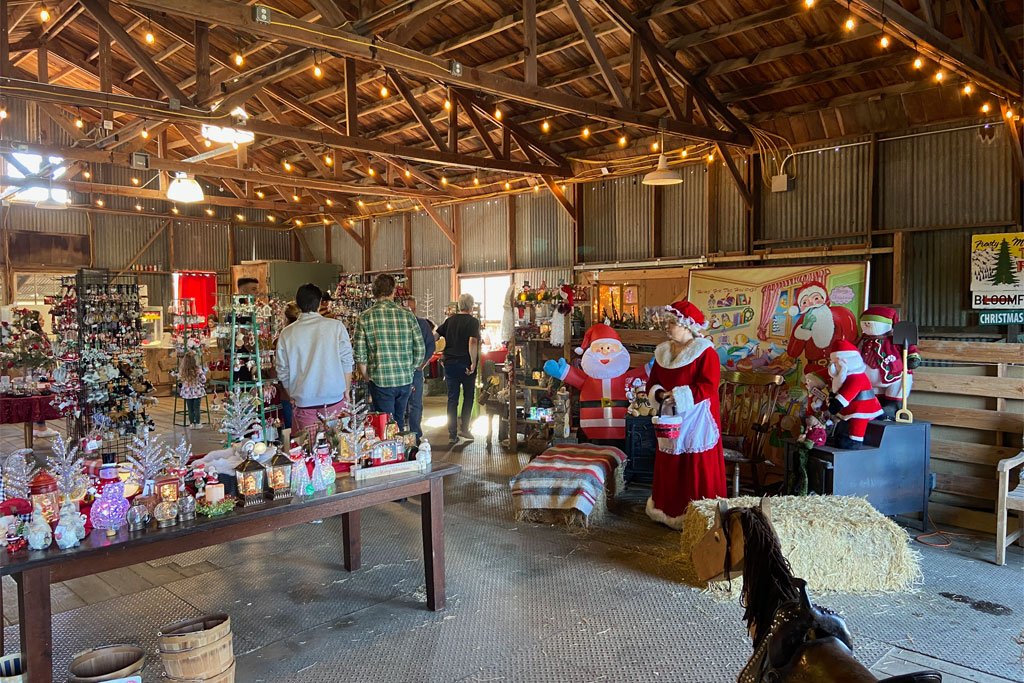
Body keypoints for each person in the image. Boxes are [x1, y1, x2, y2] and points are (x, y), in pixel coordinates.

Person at [644, 300, 726, 529]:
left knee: (694, 462)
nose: (667, 327)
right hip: (671, 416)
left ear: (687, 325)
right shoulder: (662, 352)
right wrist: (659, 394)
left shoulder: (705, 352)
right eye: (667, 322)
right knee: (670, 461)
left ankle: (699, 515)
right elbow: (653, 382)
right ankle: (667, 509)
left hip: (697, 416)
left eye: (672, 323)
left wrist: (680, 396)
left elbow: (709, 385)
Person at [276, 284, 354, 437]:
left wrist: (292, 393)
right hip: (334, 400)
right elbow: (347, 361)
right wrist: (347, 390)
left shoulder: (287, 334)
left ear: (298, 303)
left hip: (304, 402)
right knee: (337, 448)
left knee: (308, 452)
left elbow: (282, 370)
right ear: (319, 303)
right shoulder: (336, 327)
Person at [353, 274, 424, 430]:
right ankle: (401, 451)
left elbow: (359, 355)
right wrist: (410, 369)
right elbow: (420, 349)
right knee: (399, 422)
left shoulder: (365, 318)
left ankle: (390, 453)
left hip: (380, 381)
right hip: (404, 380)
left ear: (374, 292)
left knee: (384, 426)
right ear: (393, 291)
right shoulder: (407, 315)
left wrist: (366, 377)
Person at [435, 293, 480, 445]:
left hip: (449, 364)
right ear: (471, 306)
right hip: (466, 365)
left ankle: (452, 434)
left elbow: (435, 335)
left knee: (452, 399)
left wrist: (435, 349)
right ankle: (465, 428)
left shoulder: (449, 321)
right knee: (468, 397)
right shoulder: (473, 322)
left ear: (459, 305)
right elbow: (472, 342)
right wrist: (473, 363)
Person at [405, 297, 435, 441]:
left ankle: (416, 435)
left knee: (415, 404)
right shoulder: (399, 324)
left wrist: (423, 363)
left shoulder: (422, 324)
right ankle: (399, 436)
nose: (410, 311)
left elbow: (431, 345)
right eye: (407, 308)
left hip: (416, 371)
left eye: (412, 308)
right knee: (401, 404)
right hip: (400, 371)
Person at [275, 302, 301, 432]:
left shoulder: (282, 338)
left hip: (288, 393)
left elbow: (278, 369)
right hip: (308, 391)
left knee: (293, 433)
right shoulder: (307, 337)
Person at [178, 350, 207, 430]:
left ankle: (191, 423)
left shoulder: (183, 371)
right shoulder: (198, 370)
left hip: (187, 392)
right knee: (197, 408)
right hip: (197, 391)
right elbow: (203, 380)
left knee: (190, 408)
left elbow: (181, 379)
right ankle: (197, 423)